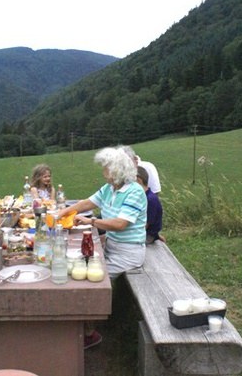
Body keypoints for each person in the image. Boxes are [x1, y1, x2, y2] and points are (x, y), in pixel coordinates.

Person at [58, 146, 147, 349]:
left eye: (106, 167)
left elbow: (120, 224)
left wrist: (91, 222)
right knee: (81, 264)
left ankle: (90, 333)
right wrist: (62, 213)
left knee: (93, 280)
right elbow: (87, 203)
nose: (103, 171)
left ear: (117, 170)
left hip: (128, 253)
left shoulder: (134, 191)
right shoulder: (110, 188)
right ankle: (80, 324)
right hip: (113, 246)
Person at [136, 166, 165, 244]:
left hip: (147, 235)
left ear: (138, 181)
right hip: (143, 232)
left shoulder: (150, 199)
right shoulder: (143, 196)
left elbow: (145, 224)